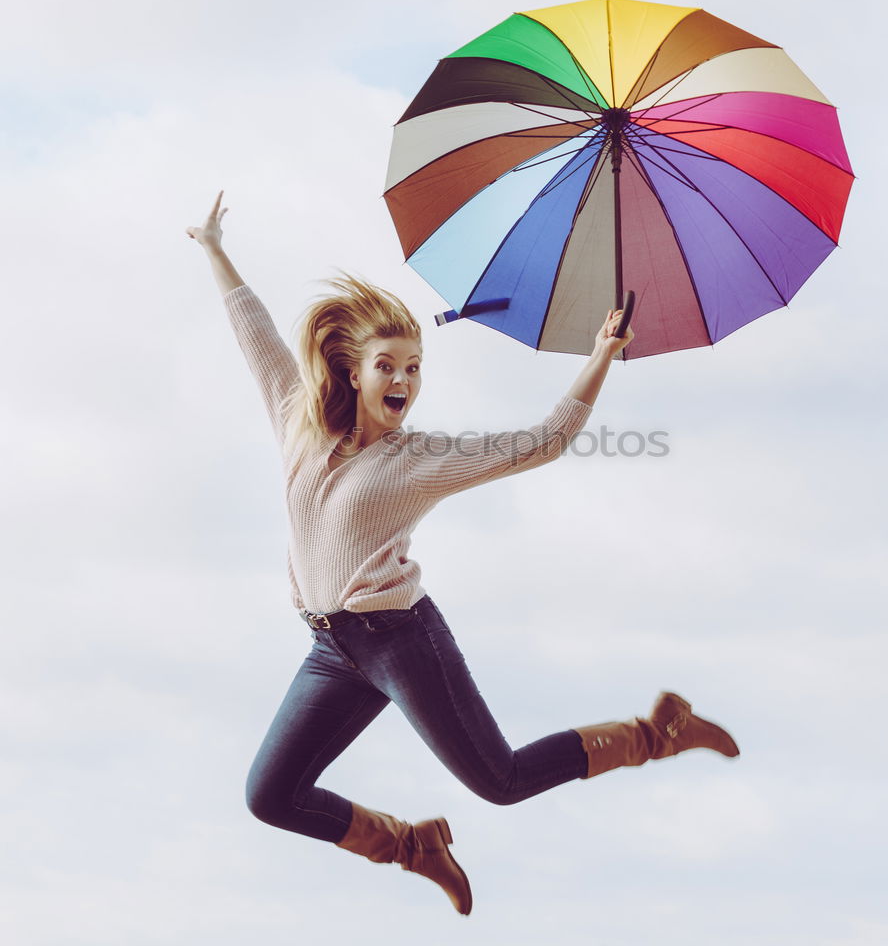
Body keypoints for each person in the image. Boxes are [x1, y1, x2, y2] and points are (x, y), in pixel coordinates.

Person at [186, 191, 739, 916]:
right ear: (354, 371)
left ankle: (655, 733)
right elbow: (256, 337)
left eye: (415, 368)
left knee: (500, 781)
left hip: (401, 641)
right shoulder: (300, 425)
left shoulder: (422, 460)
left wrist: (602, 354)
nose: (406, 382)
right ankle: (412, 846)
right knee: (270, 795)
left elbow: (543, 442)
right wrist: (214, 248)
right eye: (390, 366)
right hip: (333, 649)